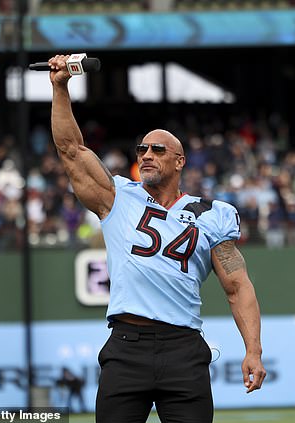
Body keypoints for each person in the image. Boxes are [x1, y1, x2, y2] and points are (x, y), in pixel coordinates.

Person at [46, 54, 266, 423]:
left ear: (180, 161)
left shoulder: (213, 213)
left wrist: (254, 351)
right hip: (126, 346)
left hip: (183, 348)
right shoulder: (118, 196)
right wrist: (60, 88)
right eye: (142, 149)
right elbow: (72, 151)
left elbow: (237, 287)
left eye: (157, 150)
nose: (146, 155)